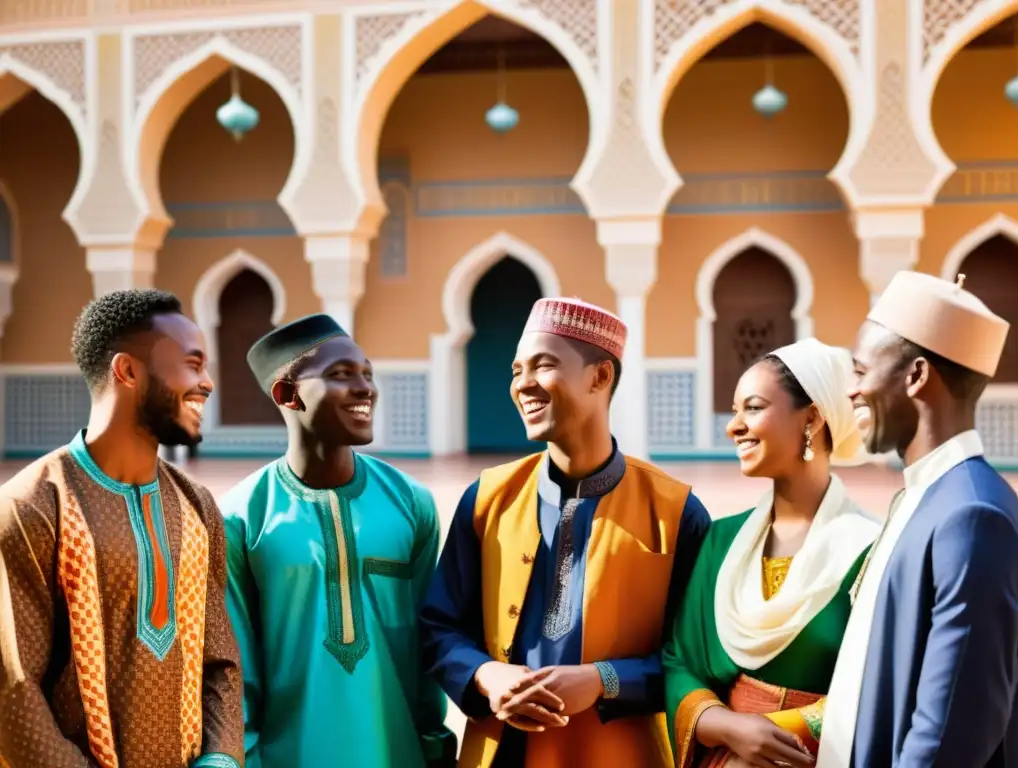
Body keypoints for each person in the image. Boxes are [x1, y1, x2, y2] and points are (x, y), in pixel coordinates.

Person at [421, 297, 712, 767]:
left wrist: (603, 680)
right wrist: (486, 675)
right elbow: (438, 627)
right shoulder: (488, 499)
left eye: (543, 365)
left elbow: (696, 663)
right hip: (501, 753)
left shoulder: (675, 513)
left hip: (619, 755)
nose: (523, 385)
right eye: (517, 370)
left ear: (600, 377)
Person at [0, 289, 243, 767]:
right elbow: (14, 692)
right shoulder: (31, 507)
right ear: (128, 371)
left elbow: (221, 663)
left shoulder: (198, 507)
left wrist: (220, 758)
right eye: (193, 365)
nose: (207, 383)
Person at [219, 314, 455, 768]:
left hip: (398, 752)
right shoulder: (240, 517)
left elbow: (427, 642)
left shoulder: (410, 503)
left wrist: (435, 742)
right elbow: (236, 665)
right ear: (287, 395)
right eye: (341, 375)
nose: (365, 388)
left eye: (367, 373)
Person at [818, 271, 1018, 768]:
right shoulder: (925, 496)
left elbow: (951, 730)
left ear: (915, 376)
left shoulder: (971, 516)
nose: (850, 391)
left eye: (861, 371)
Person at [663, 338, 879, 768]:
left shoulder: (868, 549)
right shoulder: (721, 540)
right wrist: (728, 727)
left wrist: (778, 737)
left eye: (754, 407)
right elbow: (678, 659)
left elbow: (876, 686)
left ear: (812, 418)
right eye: (735, 409)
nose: (734, 425)